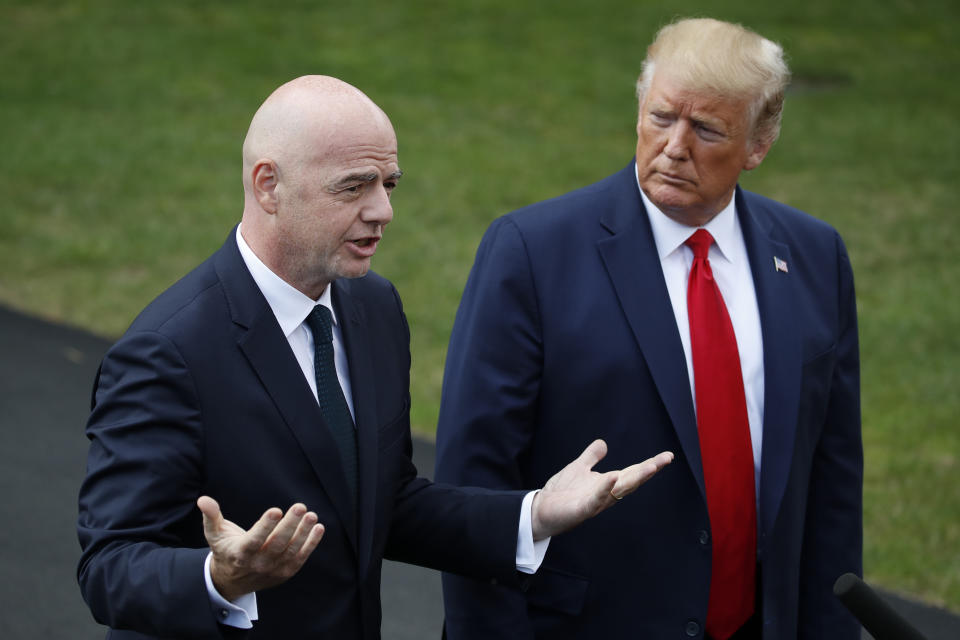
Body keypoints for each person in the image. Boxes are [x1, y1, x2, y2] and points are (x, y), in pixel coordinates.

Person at [76, 75, 674, 640]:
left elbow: (385, 501)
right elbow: (110, 565)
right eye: (353, 185)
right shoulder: (167, 352)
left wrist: (534, 514)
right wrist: (219, 577)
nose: (382, 210)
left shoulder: (373, 308)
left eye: (388, 184)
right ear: (268, 186)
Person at [435, 17, 862, 640]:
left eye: (708, 129)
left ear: (759, 143)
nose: (675, 146)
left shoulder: (814, 257)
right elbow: (472, 485)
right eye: (662, 117)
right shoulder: (531, 252)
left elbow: (832, 487)